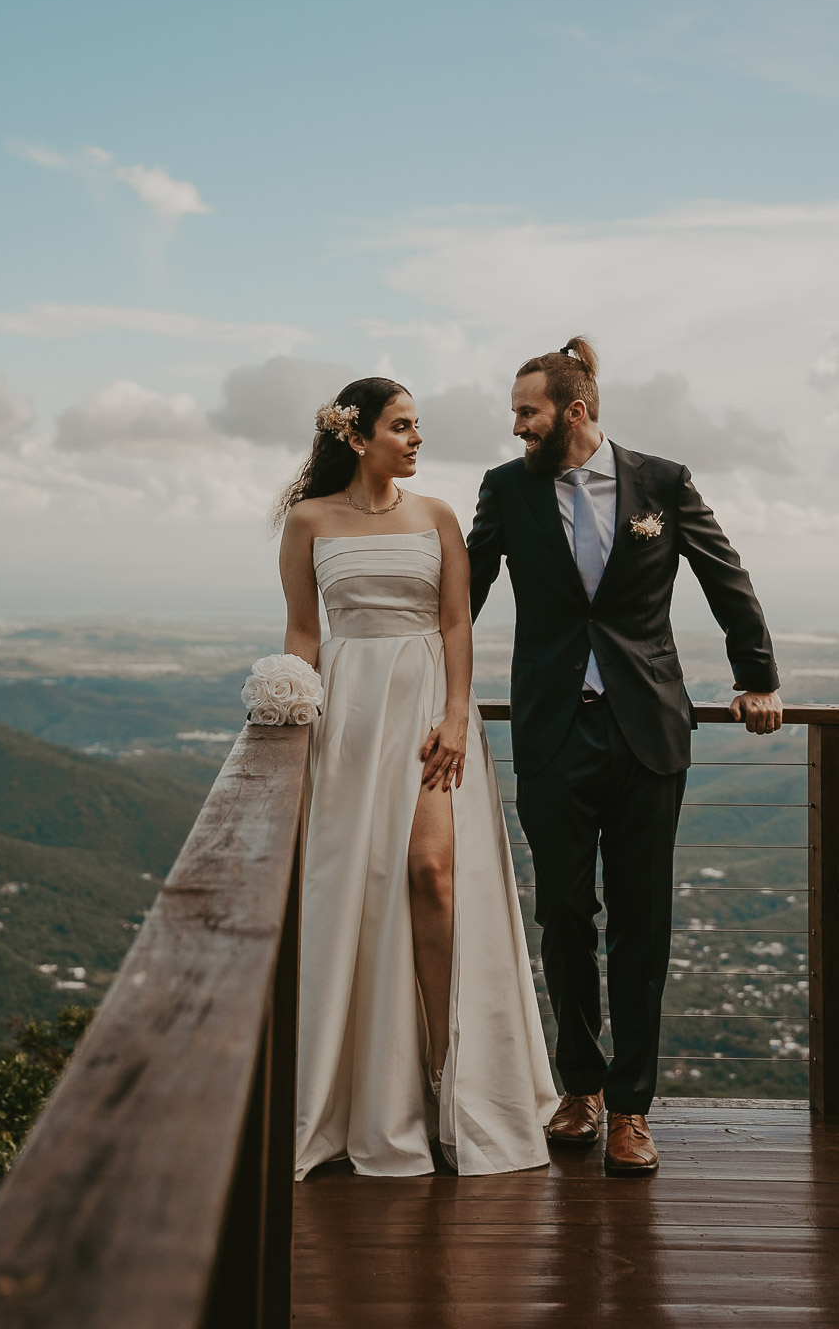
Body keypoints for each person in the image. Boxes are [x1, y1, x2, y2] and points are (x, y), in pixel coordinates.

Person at [467, 337, 782, 1176]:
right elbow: (461, 593)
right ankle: (579, 1087)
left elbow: (726, 578)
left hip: (648, 733)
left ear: (573, 411)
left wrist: (757, 678)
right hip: (553, 732)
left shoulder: (662, 483)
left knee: (644, 922)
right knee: (564, 914)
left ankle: (633, 1110)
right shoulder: (506, 490)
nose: (516, 427)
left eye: (526, 412)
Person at [280, 376, 556, 1178]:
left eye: (417, 426)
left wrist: (457, 715)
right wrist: (292, 707)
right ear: (357, 436)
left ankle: (451, 1076)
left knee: (431, 873)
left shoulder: (436, 517)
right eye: (402, 426)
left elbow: (455, 620)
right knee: (363, 890)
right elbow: (303, 631)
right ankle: (382, 1091)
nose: (416, 439)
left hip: (433, 714)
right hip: (352, 717)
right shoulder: (308, 521)